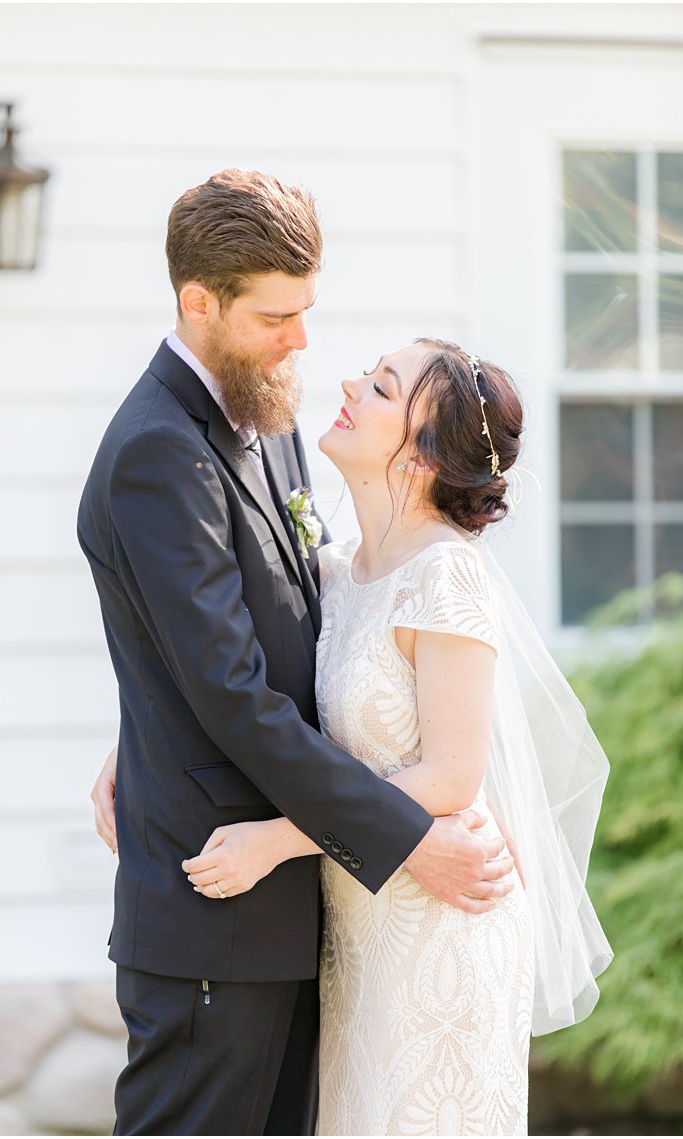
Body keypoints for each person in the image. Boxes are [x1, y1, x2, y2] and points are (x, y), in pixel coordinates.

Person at [79, 170, 518, 1136]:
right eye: (278, 316)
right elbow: (230, 689)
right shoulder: (159, 451)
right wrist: (411, 837)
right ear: (201, 303)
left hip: (309, 917)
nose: (303, 341)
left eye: (308, 310)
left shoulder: (268, 412)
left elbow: (291, 625)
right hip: (214, 910)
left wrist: (137, 728)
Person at [178, 338, 613, 1134]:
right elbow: (243, 684)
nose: (349, 383)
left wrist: (273, 841)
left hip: (441, 929)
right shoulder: (340, 573)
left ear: (419, 456)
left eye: (380, 387)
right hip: (361, 925)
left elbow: (451, 777)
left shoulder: (447, 574)